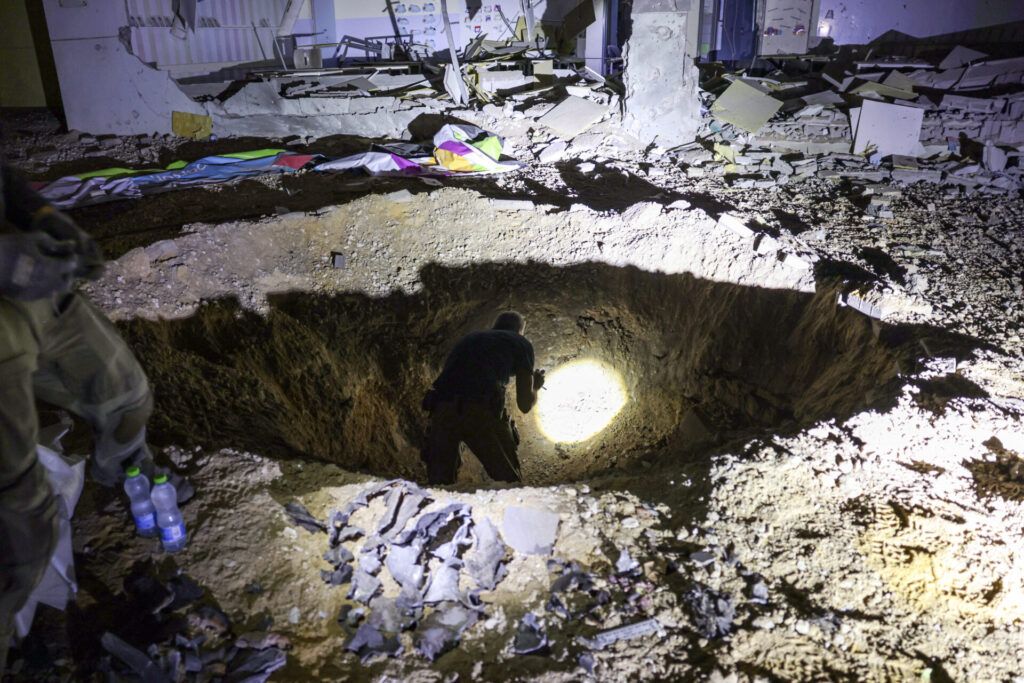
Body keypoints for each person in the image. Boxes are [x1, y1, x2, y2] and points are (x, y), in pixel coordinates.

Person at [0, 164, 160, 673]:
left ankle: (120, 477)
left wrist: (41, 214)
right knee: (23, 523)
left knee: (126, 398)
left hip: (28, 288)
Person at [421, 311, 545, 485]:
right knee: (510, 483)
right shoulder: (520, 342)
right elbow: (524, 404)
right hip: (479, 410)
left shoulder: (470, 338)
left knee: (440, 485)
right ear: (520, 331)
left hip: (442, 409)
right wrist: (536, 387)